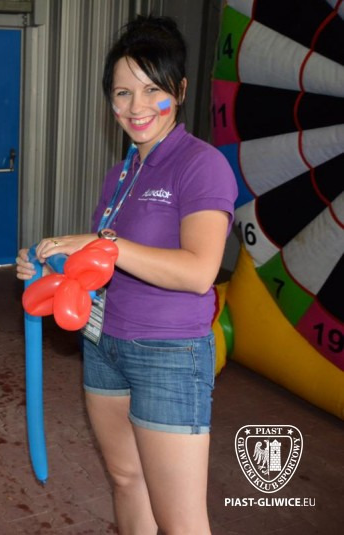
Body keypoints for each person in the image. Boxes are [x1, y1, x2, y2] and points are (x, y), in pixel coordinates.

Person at [16, 16, 237, 534]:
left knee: (180, 520)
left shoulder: (201, 165)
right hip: (105, 344)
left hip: (168, 354)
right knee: (124, 478)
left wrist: (104, 244)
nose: (136, 106)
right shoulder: (120, 173)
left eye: (152, 89)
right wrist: (50, 267)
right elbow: (105, 265)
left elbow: (199, 272)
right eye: (122, 92)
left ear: (179, 91)